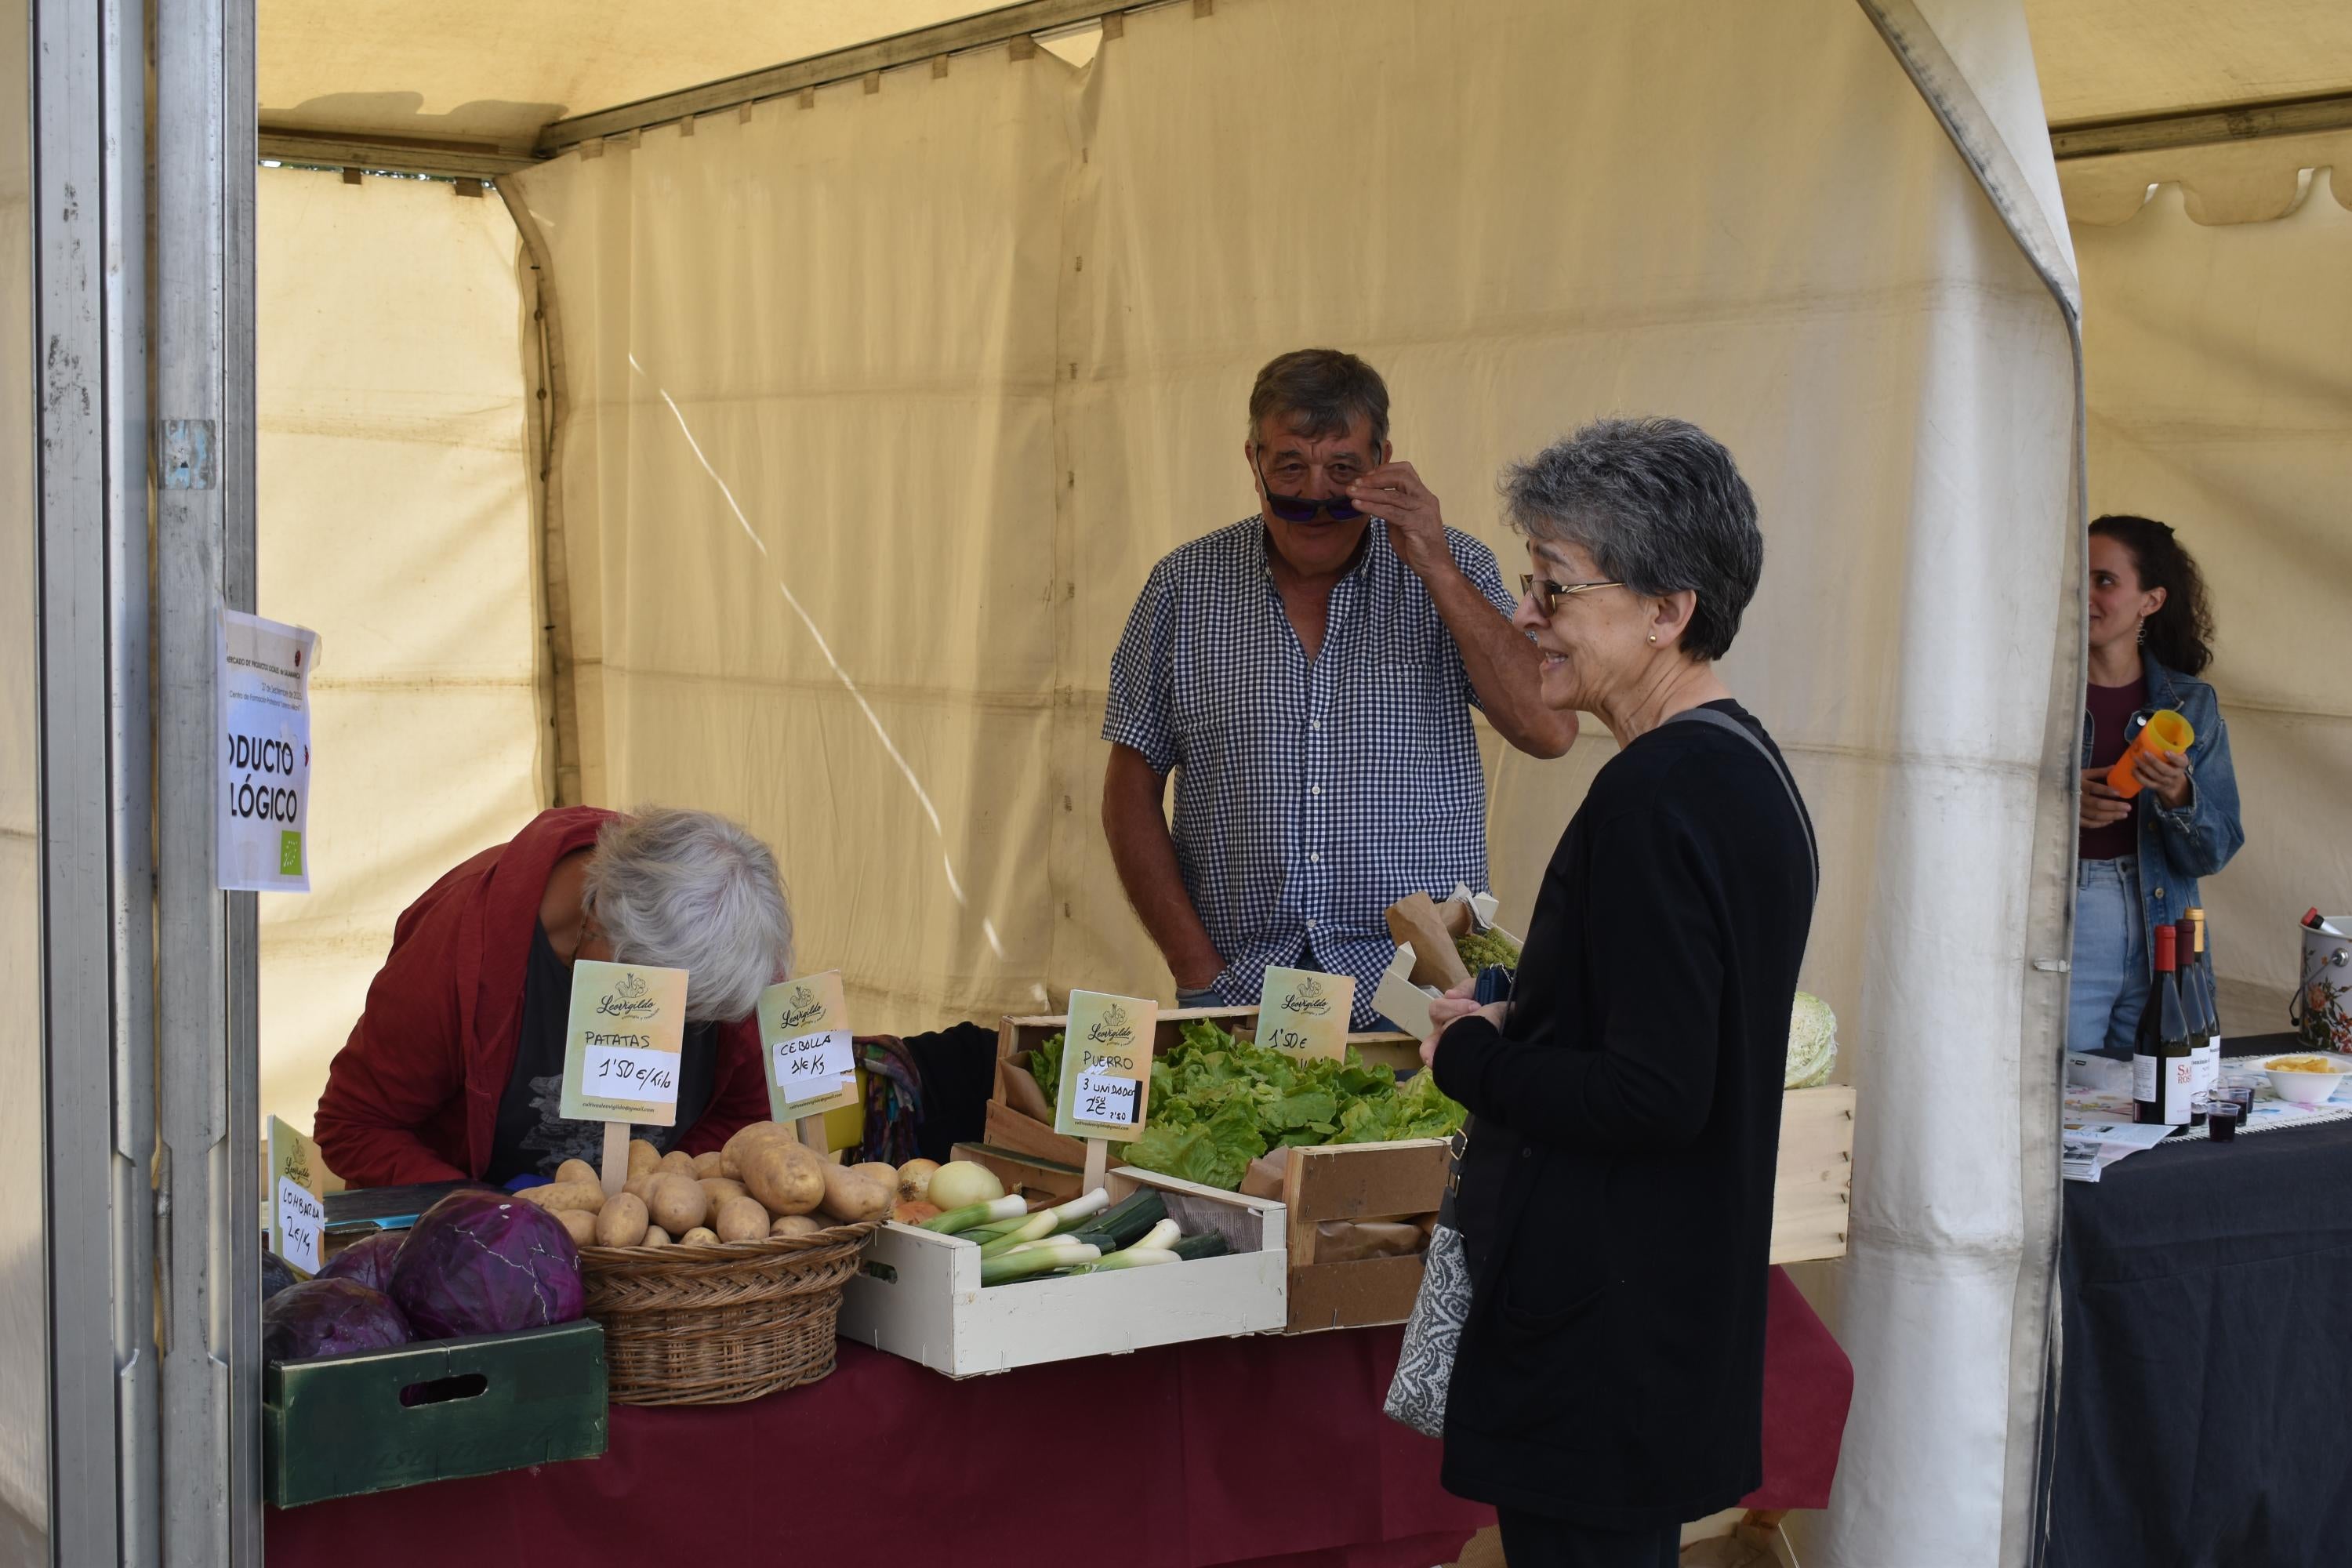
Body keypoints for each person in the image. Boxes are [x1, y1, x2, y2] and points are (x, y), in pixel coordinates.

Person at [1420, 418, 1815, 1566]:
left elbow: (1654, 1092)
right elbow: (1666, 1026)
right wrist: (1525, 1013)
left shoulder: (1656, 796)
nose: (1528, 613)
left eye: (1554, 586)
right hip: (1667, 1317)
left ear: (1666, 611)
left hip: (1604, 1333)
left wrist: (1472, 1058)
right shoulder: (1747, 770)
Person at [1101, 348, 1574, 1025]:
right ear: (1253, 461)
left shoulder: (1452, 565)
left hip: (1423, 994)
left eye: (1344, 469)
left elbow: (1548, 729)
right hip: (1244, 992)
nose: (1316, 496)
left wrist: (1436, 568)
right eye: (1291, 466)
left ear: (1384, 462)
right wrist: (1197, 969)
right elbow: (1128, 792)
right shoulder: (1184, 587)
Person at [315, 805, 793, 1188]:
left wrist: (664, 1192)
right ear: (604, 929)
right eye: (677, 1007)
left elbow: (744, 1114)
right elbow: (356, 1126)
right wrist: (486, 1215)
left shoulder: (723, 956)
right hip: (473, 1263)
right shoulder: (461, 943)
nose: (685, 1024)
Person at [2071, 514, 2242, 1055]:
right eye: (2079, 576)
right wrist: (2057, 805)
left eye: (2105, 580)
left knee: (2158, 1092)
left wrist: (2177, 796)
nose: (2085, 593)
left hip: (2162, 922)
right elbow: (1966, 819)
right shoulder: (2032, 697)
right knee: (2056, 1102)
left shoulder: (2191, 704)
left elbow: (2214, 851)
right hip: (2062, 920)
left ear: (2151, 600)